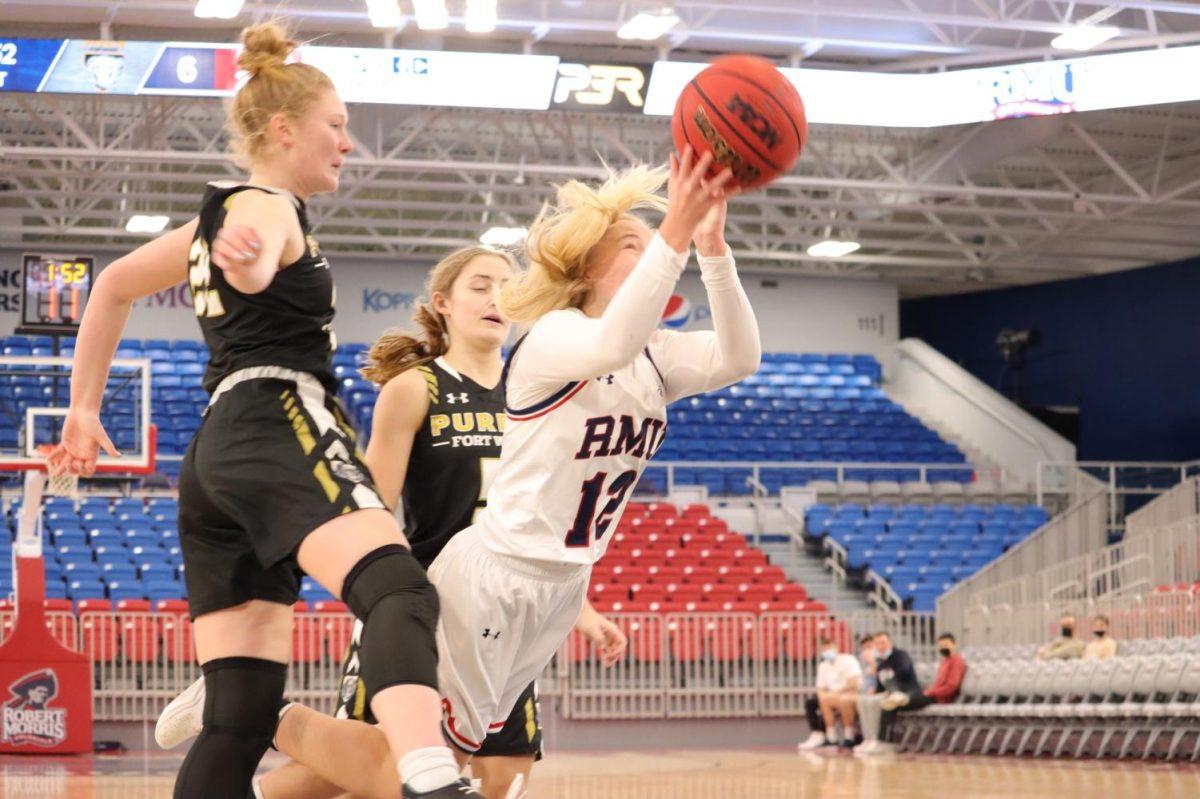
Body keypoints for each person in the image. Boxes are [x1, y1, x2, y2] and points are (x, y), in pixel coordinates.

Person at [163, 147, 754, 799]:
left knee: (420, 766)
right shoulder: (553, 339)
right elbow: (610, 341)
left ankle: (244, 725)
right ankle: (252, 710)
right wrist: (673, 235)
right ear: (587, 264)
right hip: (483, 577)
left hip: (557, 585)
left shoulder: (656, 356)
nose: (651, 255)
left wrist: (714, 248)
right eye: (631, 245)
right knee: (418, 774)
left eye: (651, 245)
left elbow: (739, 356)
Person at [46, 23, 481, 799]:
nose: (349, 143)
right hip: (279, 416)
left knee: (240, 714)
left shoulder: (219, 218)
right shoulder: (263, 204)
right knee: (400, 590)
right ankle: (428, 779)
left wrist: (84, 407)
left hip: (217, 455)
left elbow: (111, 283)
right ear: (283, 129)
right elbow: (255, 257)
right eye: (337, 125)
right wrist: (250, 267)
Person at [156, 247, 629, 799]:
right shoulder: (415, 387)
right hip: (430, 596)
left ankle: (248, 724)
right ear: (442, 304)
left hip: (507, 600)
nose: (497, 296)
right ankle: (251, 712)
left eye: (507, 285)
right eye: (480, 285)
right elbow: (370, 501)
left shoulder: (537, 387)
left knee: (503, 773)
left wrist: (585, 611)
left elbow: (546, 520)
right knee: (383, 768)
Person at [878, 633, 966, 742]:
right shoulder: (945, 661)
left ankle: (883, 740)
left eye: (946, 645)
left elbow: (951, 686)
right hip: (932, 695)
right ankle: (883, 740)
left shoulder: (956, 661)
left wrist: (931, 692)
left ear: (954, 644)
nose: (943, 648)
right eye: (941, 646)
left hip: (938, 698)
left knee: (892, 704)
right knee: (889, 705)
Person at [854, 631, 921, 756]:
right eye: (878, 643)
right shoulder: (881, 662)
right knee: (865, 700)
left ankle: (880, 740)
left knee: (879, 702)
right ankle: (869, 738)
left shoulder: (900, 655)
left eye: (883, 642)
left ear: (890, 643)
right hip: (889, 693)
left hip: (906, 693)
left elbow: (903, 673)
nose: (881, 646)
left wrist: (890, 684)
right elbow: (880, 685)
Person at [798, 634, 862, 750]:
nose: (827, 651)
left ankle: (849, 736)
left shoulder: (848, 660)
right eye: (824, 649)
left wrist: (837, 692)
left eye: (829, 648)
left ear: (836, 648)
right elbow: (820, 689)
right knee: (813, 702)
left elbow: (853, 682)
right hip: (832, 696)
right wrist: (825, 696)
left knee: (842, 699)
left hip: (847, 693)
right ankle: (826, 736)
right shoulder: (823, 666)